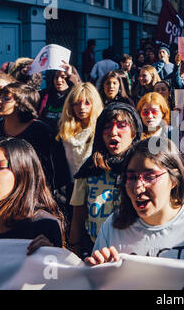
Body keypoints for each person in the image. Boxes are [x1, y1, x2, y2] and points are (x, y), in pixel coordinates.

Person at [84, 137, 184, 272]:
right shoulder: (113, 226)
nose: (138, 187)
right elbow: (93, 282)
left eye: (150, 177)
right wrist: (98, 272)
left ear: (174, 179)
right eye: (132, 177)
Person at [68, 102, 142, 258]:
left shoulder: (143, 169)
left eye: (122, 125)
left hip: (134, 251)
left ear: (134, 133)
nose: (113, 132)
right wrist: (74, 249)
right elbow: (78, 215)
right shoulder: (88, 169)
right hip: (95, 251)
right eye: (107, 127)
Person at [0, 137, 65, 255]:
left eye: (0, 166)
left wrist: (52, 256)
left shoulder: (43, 225)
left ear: (23, 173)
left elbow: (54, 273)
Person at [0, 82, 55, 191]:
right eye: (0, 97)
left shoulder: (41, 131)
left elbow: (49, 171)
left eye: (6, 99)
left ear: (22, 104)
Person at [39, 62, 82, 134]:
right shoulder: (45, 95)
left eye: (63, 77)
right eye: (56, 77)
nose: (59, 80)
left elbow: (80, 92)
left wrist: (71, 75)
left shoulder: (74, 96)